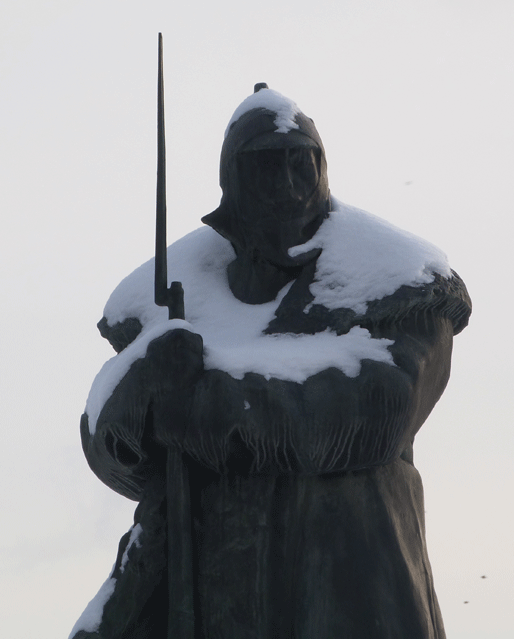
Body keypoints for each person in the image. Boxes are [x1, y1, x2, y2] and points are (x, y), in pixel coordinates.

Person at [71, 85, 472, 639]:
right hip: (218, 603)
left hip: (347, 598)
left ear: (321, 169)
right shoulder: (168, 306)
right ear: (233, 182)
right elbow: (123, 461)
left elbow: (373, 411)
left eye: (298, 165)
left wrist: (202, 398)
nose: (285, 187)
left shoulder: (396, 287)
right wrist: (142, 387)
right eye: (264, 169)